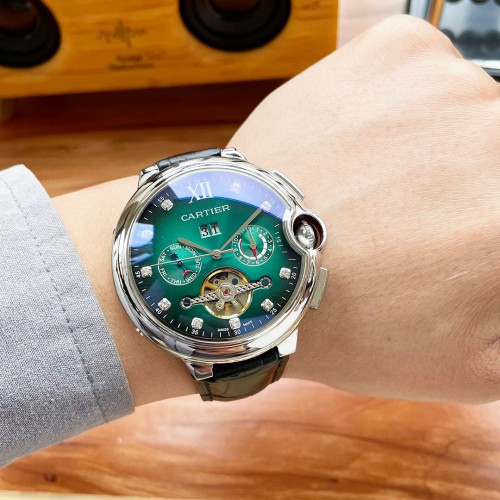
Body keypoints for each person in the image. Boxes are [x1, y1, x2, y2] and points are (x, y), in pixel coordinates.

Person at [0, 15, 498, 466]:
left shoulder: (268, 239)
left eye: (233, 245)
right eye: (197, 253)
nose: (218, 254)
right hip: (206, 319)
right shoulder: (147, 255)